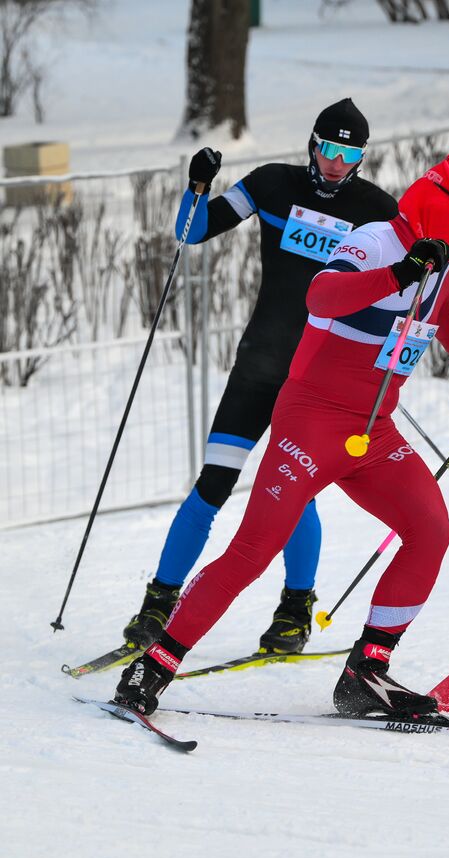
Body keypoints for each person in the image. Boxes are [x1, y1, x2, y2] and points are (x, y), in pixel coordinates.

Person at [112, 153, 449, 717]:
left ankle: (367, 671)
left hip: (372, 433)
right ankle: (153, 665)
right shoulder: (375, 242)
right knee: (251, 553)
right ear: (443, 211)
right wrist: (400, 272)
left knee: (431, 529)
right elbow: (322, 296)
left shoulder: (444, 269)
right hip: (310, 423)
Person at [121, 99, 401, 657]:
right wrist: (197, 184)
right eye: (329, 149)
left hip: (316, 385)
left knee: (294, 495)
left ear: (362, 158)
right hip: (259, 365)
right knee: (213, 483)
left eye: (350, 154)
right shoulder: (272, 183)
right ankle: (158, 602)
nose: (336, 164)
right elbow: (192, 230)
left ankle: (294, 611)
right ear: (312, 144)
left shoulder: (377, 211)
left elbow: (399, 289)